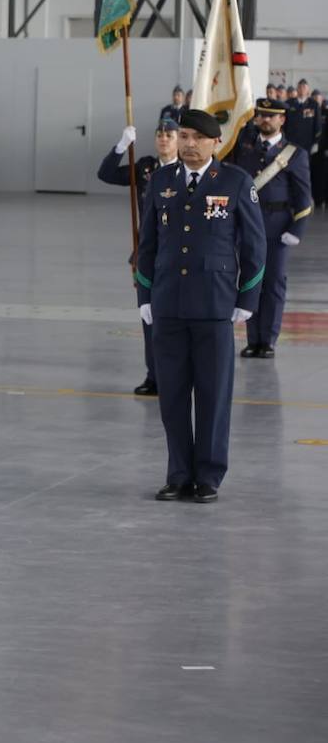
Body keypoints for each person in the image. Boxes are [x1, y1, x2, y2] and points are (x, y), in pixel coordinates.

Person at [136, 109, 266, 504]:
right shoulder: (161, 182)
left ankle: (208, 475)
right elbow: (147, 246)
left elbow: (255, 246)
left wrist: (246, 299)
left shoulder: (236, 182)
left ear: (215, 142)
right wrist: (145, 296)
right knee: (173, 396)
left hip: (214, 305)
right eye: (184, 136)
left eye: (196, 138)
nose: (188, 144)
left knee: (213, 394)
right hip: (169, 304)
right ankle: (178, 474)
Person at [98, 118, 181, 395]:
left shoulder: (188, 170)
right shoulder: (145, 167)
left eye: (169, 134)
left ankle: (179, 377)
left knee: (178, 318)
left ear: (179, 139)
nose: (164, 139)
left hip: (180, 254)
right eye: (160, 134)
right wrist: (121, 146)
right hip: (147, 253)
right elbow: (106, 174)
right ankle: (154, 376)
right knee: (149, 317)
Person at [227, 99, 313, 358]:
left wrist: (296, 230)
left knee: (273, 283)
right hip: (248, 227)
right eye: (262, 115)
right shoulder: (244, 150)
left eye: (271, 116)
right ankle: (253, 339)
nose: (265, 119)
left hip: (277, 228)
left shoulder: (294, 155)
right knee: (251, 281)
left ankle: (268, 340)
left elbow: (303, 196)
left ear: (282, 120)